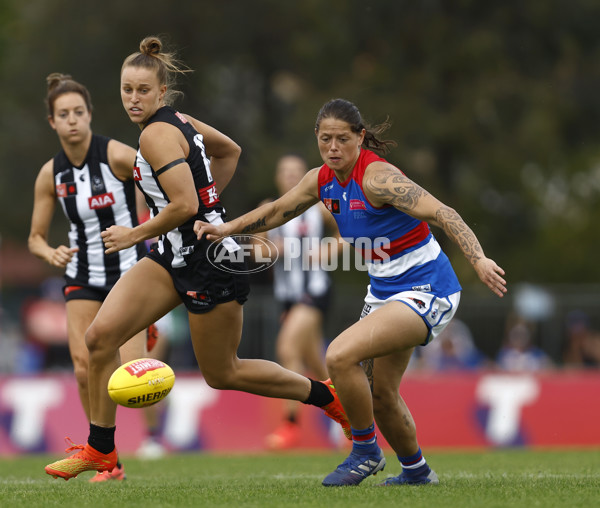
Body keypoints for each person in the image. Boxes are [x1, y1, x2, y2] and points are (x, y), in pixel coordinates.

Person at [44, 37, 349, 481]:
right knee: (99, 339)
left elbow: (184, 205)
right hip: (172, 254)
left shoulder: (156, 133)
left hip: (209, 260)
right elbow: (229, 152)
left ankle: (326, 397)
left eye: (143, 91)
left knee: (224, 372)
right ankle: (101, 449)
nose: (133, 98)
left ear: (161, 93)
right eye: (127, 89)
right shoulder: (177, 122)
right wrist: (210, 204)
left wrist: (138, 231)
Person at [194, 98, 507, 487]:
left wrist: (477, 259)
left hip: (428, 288)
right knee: (380, 395)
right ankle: (417, 472)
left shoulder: (378, 178)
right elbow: (277, 212)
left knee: (339, 356)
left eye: (343, 139)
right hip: (385, 291)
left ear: (360, 138)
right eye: (326, 139)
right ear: (317, 139)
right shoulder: (320, 179)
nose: (333, 148)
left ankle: (365, 451)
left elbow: (443, 213)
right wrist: (226, 229)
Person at [29, 73, 159, 482]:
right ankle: (107, 458)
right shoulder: (51, 174)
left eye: (79, 113)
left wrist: (146, 232)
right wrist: (50, 251)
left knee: (132, 371)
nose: (72, 121)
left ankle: (147, 330)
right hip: (81, 274)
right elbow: (34, 238)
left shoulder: (118, 156)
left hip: (128, 271)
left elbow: (160, 186)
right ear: (52, 121)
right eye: (63, 114)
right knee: (84, 368)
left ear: (90, 115)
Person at [262, 155, 337, 450]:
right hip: (287, 298)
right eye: (285, 171)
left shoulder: (319, 207)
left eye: (297, 171)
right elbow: (253, 249)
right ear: (278, 177)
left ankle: (290, 425)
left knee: (287, 348)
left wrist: (331, 249)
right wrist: (271, 249)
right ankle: (352, 416)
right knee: (319, 365)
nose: (291, 176)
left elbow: (349, 231)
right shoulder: (269, 208)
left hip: (315, 291)